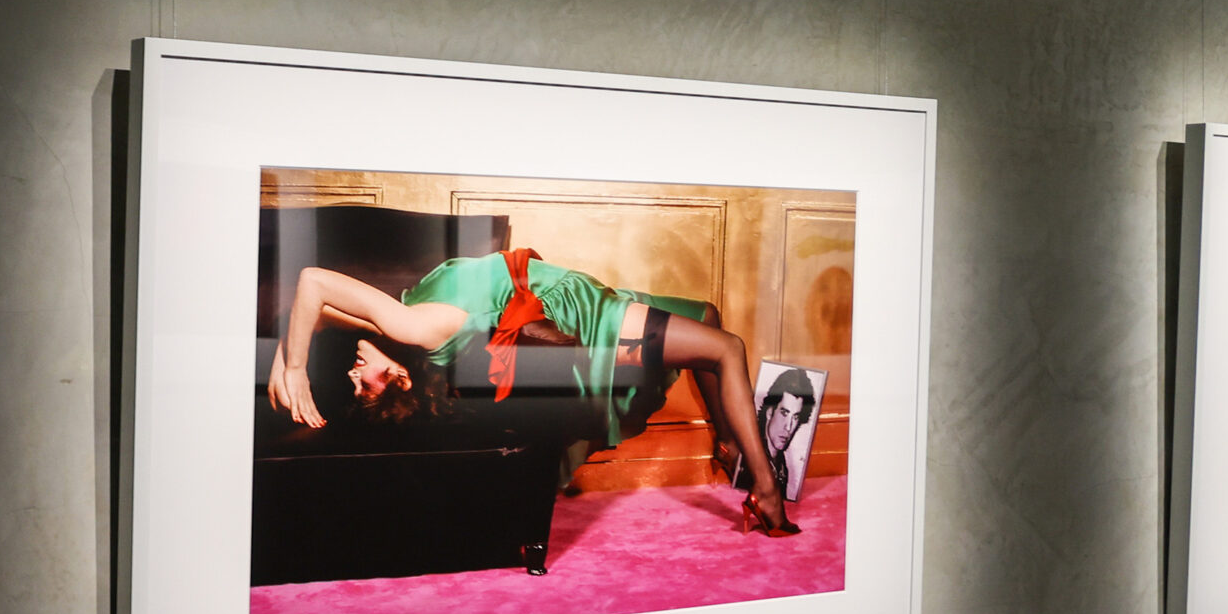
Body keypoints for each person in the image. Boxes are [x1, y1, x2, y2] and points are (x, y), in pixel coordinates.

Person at [266, 247, 800, 536]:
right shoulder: (410, 328)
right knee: (725, 348)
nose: (352, 373)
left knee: (705, 315)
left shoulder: (394, 331)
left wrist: (284, 368)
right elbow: (313, 280)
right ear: (399, 379)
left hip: (563, 292)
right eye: (361, 385)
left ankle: (730, 443)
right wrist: (295, 369)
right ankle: (766, 490)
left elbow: (316, 311)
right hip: (581, 316)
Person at [752, 366, 819, 502]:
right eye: (784, 413)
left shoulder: (781, 465)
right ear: (770, 412)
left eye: (795, 417)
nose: (788, 427)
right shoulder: (752, 459)